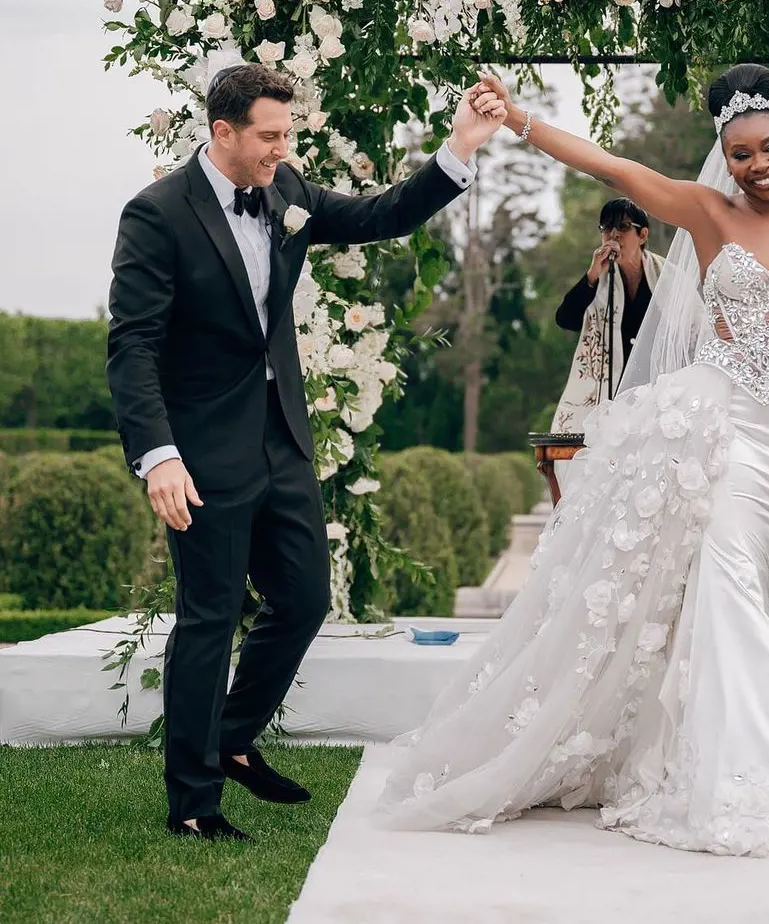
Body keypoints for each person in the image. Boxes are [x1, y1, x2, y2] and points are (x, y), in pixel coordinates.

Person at [374, 64, 769, 855]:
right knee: (728, 580)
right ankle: (751, 770)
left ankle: (759, 735)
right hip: (729, 428)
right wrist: (517, 120)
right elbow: (612, 167)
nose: (758, 165)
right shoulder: (707, 213)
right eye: (740, 153)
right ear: (725, 155)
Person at [106, 62, 506, 841]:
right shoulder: (156, 215)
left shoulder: (286, 193)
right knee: (208, 618)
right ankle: (193, 802)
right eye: (269, 135)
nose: (282, 149)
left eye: (287, 134)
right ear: (221, 132)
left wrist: (460, 148)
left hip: (282, 439)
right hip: (202, 452)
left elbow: (380, 214)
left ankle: (231, 739)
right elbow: (133, 347)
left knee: (303, 600)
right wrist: (159, 455)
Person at [551, 198, 665, 433]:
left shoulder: (666, 276)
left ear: (642, 235)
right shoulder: (601, 279)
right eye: (606, 228)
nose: (613, 235)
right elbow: (566, 319)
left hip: (658, 395)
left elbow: (693, 329)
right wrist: (592, 275)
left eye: (623, 227)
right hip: (611, 396)